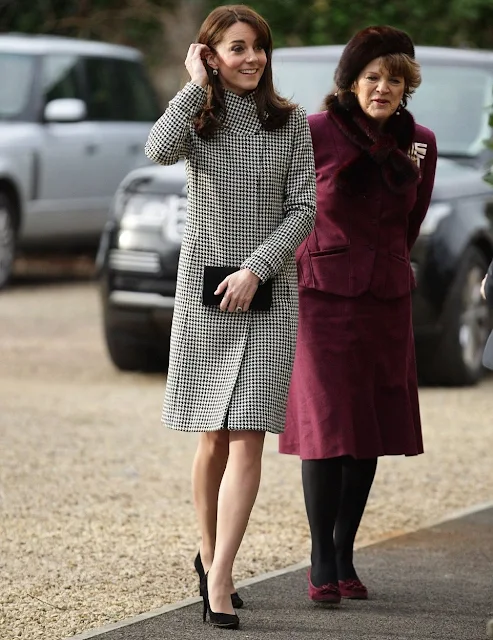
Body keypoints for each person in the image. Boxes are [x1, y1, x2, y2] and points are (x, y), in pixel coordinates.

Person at [145, 4, 316, 629]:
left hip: (267, 293)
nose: (252, 58)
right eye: (237, 48)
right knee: (211, 433)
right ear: (210, 55)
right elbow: (158, 150)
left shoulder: (290, 121)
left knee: (249, 433)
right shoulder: (197, 116)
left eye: (259, 47)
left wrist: (257, 268)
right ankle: (208, 550)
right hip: (204, 295)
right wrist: (194, 87)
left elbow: (305, 208)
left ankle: (220, 575)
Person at [279, 26, 437, 603]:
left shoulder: (420, 142)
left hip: (387, 300)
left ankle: (346, 553)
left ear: (406, 87)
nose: (383, 88)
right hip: (323, 296)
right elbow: (290, 203)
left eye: (394, 79)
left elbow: (411, 219)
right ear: (351, 82)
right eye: (372, 77)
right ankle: (321, 560)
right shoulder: (313, 131)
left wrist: (387, 260)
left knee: (366, 429)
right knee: (328, 429)